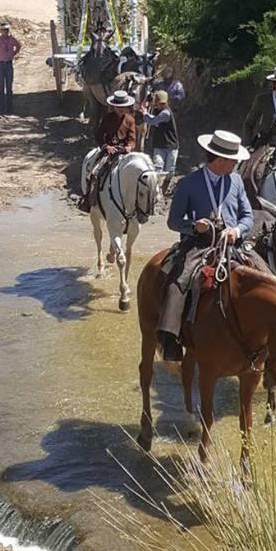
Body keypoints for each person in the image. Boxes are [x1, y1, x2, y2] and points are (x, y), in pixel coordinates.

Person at [159, 130, 253, 362]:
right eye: (233, 161)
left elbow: (247, 216)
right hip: (199, 245)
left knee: (265, 272)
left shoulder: (237, 181)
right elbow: (173, 221)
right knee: (179, 281)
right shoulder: (188, 183)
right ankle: (170, 339)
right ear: (220, 161)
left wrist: (237, 230)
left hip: (231, 245)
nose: (235, 165)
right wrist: (194, 226)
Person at [79, 90, 136, 212]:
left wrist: (129, 147)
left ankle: (138, 202)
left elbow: (132, 138)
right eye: (118, 107)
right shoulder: (107, 118)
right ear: (114, 106)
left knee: (138, 173)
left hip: (124, 151)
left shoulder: (130, 120)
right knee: (94, 172)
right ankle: (88, 198)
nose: (121, 109)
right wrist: (106, 146)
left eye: (123, 107)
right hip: (108, 150)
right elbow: (99, 135)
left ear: (127, 107)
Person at [141, 90, 179, 195]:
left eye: (163, 103)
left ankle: (164, 189)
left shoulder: (166, 113)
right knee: (158, 169)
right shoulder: (157, 111)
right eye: (159, 103)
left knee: (170, 171)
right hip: (159, 145)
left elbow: (153, 121)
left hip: (171, 146)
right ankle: (156, 191)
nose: (161, 105)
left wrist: (144, 113)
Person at [0, 22, 21, 115]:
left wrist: (13, 54)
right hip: (0, 65)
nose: (6, 32)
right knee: (0, 87)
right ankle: (1, 108)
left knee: (9, 87)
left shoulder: (12, 39)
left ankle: (9, 108)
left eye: (7, 30)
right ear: (1, 31)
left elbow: (19, 46)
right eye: (4, 30)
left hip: (8, 65)